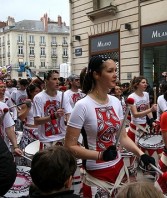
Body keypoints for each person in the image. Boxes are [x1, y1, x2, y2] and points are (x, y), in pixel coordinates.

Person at [65, 55, 155, 197]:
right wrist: (100, 155)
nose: (115, 75)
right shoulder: (82, 106)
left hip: (119, 169)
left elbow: (122, 137)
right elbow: (70, 146)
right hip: (96, 174)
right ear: (96, 74)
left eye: (116, 71)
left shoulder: (115, 101)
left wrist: (141, 154)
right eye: (110, 71)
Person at [33, 70, 72, 149]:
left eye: (58, 79)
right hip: (46, 140)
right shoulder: (38, 98)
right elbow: (37, 121)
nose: (57, 82)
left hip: (61, 137)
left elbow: (69, 114)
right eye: (54, 79)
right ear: (46, 81)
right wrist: (53, 116)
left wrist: (69, 126)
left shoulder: (63, 95)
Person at [127, 76, 157, 143]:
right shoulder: (132, 97)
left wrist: (152, 121)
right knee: (135, 149)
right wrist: (151, 110)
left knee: (143, 148)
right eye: (143, 82)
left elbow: (148, 109)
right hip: (135, 126)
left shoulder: (146, 94)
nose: (146, 84)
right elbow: (135, 114)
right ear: (137, 84)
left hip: (144, 125)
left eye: (146, 82)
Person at [17, 83, 41, 166]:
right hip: (29, 132)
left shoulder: (41, 102)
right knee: (28, 154)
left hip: (40, 131)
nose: (38, 93)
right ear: (30, 92)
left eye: (39, 91)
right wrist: (28, 107)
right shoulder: (25, 103)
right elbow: (20, 117)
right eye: (36, 91)